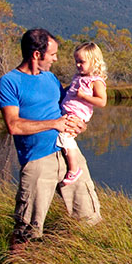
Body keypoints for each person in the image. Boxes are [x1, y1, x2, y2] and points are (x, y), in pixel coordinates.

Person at [0, 28, 98, 245]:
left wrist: (79, 125)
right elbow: (13, 125)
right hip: (37, 161)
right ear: (36, 54)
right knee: (27, 229)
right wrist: (55, 124)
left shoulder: (51, 79)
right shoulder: (9, 82)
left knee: (89, 217)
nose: (55, 58)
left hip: (69, 155)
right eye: (52, 54)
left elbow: (68, 108)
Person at [56, 41, 108, 186]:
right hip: (66, 112)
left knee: (65, 137)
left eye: (82, 62)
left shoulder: (96, 81)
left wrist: (84, 97)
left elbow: (102, 101)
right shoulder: (78, 77)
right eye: (76, 61)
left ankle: (74, 169)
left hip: (77, 115)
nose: (78, 65)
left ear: (94, 62)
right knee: (61, 136)